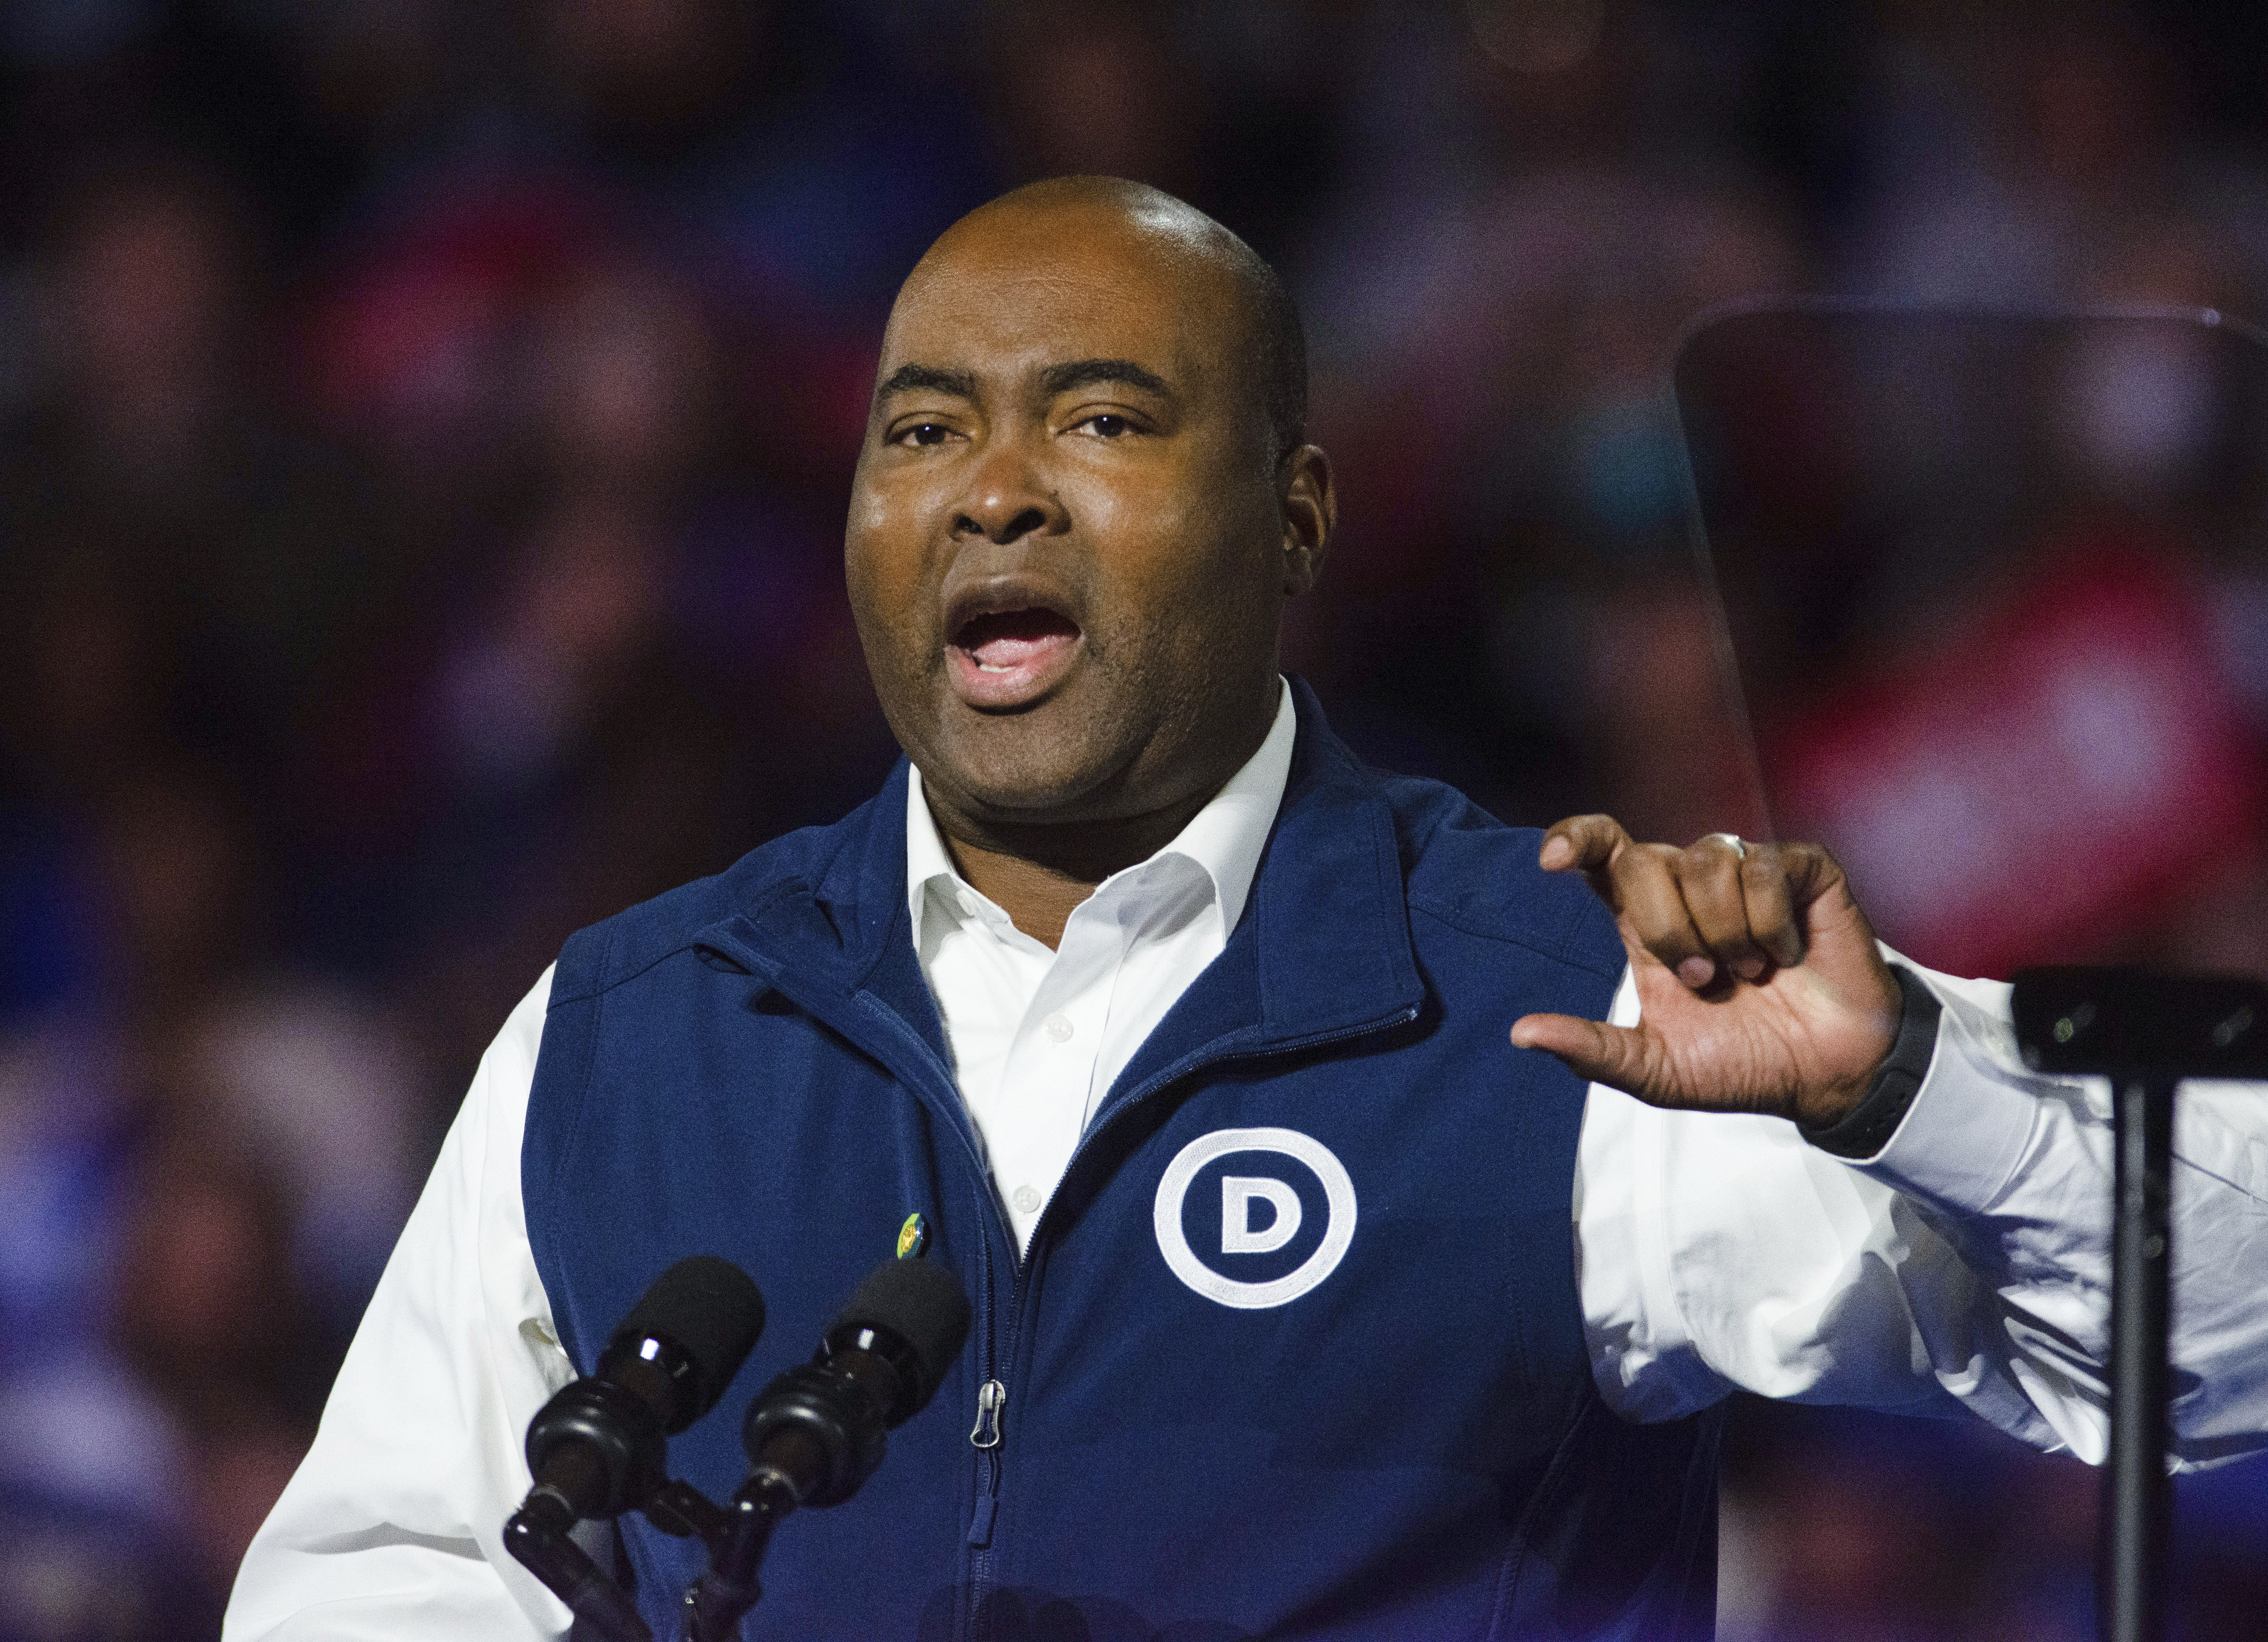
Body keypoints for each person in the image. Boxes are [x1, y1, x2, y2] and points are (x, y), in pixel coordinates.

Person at [224, 179, 2268, 1641]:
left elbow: (2226, 1351)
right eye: (923, 429)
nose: (993, 490)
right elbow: (386, 1584)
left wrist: (1909, 1078)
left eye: (1101, 419)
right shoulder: (630, 1027)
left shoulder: (1568, 998)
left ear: (1295, 513)